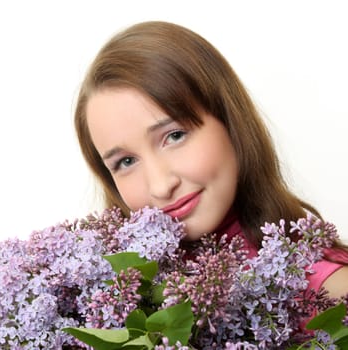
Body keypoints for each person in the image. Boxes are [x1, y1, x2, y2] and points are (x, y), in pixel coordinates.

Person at [73, 21, 348, 299]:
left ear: (229, 122)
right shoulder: (106, 295)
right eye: (126, 162)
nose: (160, 186)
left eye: (175, 135)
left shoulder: (331, 297)